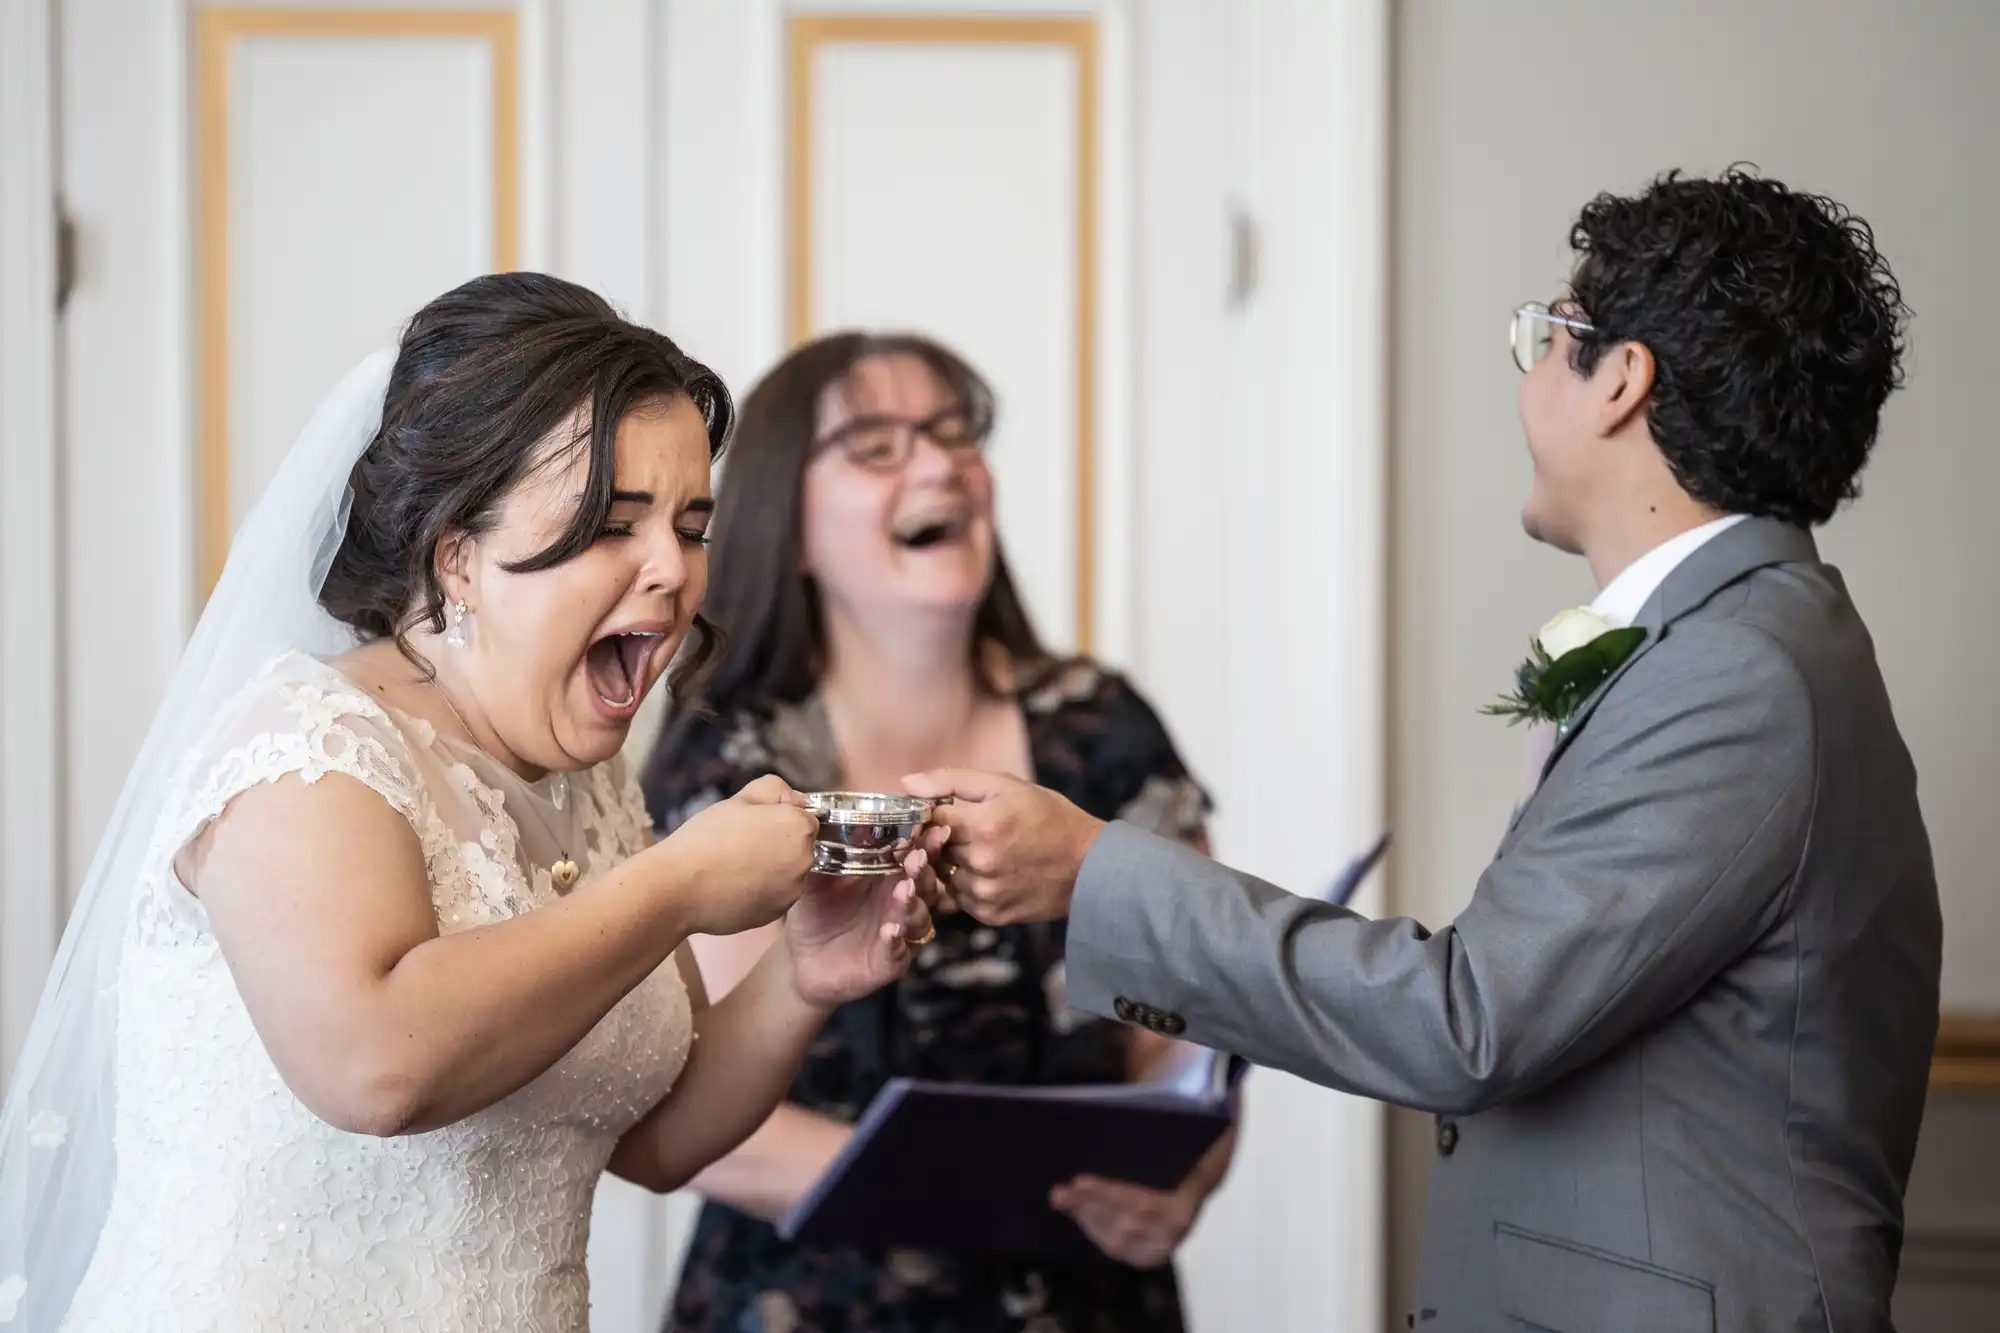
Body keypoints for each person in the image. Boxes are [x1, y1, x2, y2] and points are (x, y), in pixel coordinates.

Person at [907, 169, 1941, 1330]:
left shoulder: (1736, 674)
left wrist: (1092, 871)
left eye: (1546, 340)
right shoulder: (1740, 640)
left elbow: (1468, 1021)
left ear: (1621, 382)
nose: (1524, 383)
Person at [0, 273, 937, 1331]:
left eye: (689, 525)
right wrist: (677, 884)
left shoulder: (587, 786)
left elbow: (656, 1136)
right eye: (613, 524)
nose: (672, 571)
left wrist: (803, 975)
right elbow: (375, 1065)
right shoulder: (305, 750)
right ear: (459, 559)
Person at [641, 332, 1233, 1333]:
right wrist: (979, 1193)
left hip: (1091, 1300)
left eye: (952, 433)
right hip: (809, 1300)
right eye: (874, 446)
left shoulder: (1104, 727)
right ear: (786, 525)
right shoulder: (733, 764)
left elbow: (1190, 1036)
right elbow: (697, 1112)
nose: (936, 463)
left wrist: (1186, 1177)